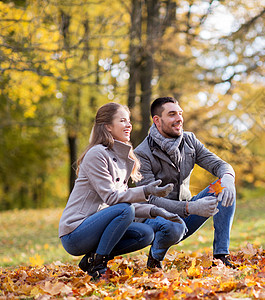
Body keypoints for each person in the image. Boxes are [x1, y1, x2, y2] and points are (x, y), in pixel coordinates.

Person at [59, 102, 186, 279]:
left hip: (98, 226)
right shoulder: (97, 154)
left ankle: (92, 259)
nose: (129, 126)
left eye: (129, 121)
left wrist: (157, 211)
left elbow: (124, 202)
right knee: (125, 210)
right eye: (123, 121)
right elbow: (113, 199)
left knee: (146, 234)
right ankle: (98, 266)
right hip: (76, 231)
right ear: (108, 127)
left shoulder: (121, 157)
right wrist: (146, 191)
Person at [134, 97, 237, 268]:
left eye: (180, 113)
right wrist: (190, 208)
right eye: (172, 114)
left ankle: (221, 256)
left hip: (186, 214)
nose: (179, 118)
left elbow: (220, 165)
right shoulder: (141, 153)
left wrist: (228, 177)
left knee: (222, 186)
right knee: (170, 224)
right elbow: (150, 200)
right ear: (157, 120)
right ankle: (155, 259)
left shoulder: (189, 140)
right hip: (153, 220)